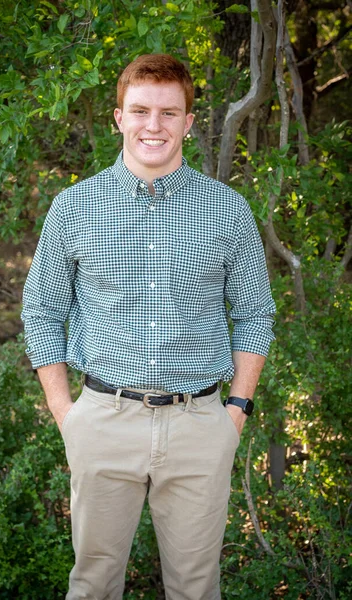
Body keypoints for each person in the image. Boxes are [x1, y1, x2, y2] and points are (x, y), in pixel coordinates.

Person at [22, 53, 276, 600]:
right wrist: (69, 416)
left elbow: (255, 316)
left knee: (195, 588)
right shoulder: (74, 208)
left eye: (168, 112)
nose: (153, 125)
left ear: (188, 122)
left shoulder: (227, 211)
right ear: (119, 118)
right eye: (140, 111)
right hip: (103, 421)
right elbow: (41, 312)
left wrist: (234, 413)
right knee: (92, 585)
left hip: (199, 424)